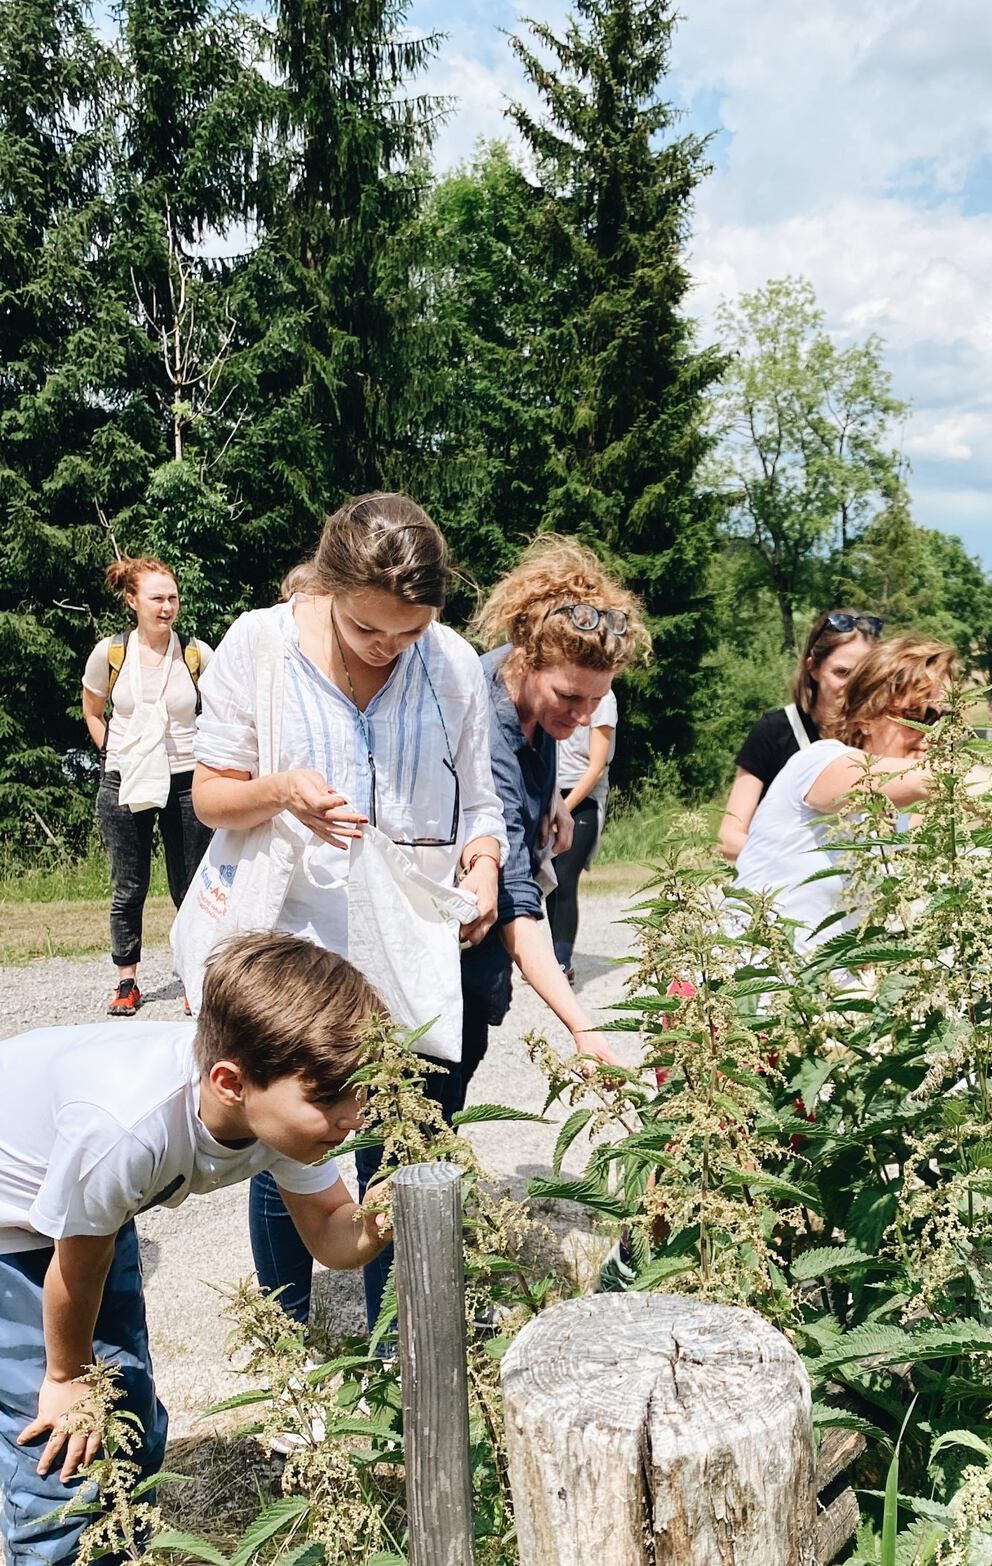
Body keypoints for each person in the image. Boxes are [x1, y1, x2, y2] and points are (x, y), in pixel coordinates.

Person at [0, 932, 394, 1566]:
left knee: (131, 1408)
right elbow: (73, 1273)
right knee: (62, 1436)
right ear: (229, 1081)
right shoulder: (130, 1129)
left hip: (88, 1212)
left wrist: (390, 1213)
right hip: (15, 1222)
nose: (355, 1117)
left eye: (360, 1094)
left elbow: (331, 1236)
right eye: (333, 1098)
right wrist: (66, 1376)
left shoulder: (281, 1111)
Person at [186, 493, 507, 1334]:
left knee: (403, 1137)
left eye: (409, 633)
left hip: (405, 942)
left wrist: (482, 866)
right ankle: (291, 1338)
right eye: (370, 631)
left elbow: (481, 800)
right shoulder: (259, 645)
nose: (391, 650)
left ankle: (401, 1348)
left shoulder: (453, 664)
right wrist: (282, 791)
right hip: (293, 943)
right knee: (291, 1139)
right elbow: (211, 798)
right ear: (326, 590)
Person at [460, 538, 649, 1096]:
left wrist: (549, 803)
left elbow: (534, 757)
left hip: (474, 950)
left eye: (597, 702)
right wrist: (581, 1026)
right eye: (570, 697)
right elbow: (515, 899)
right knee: (416, 1122)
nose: (583, 716)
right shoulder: (483, 719)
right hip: (447, 946)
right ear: (525, 655)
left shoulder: (533, 703)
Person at [734, 635, 959, 952]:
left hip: (819, 995)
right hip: (748, 986)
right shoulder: (818, 762)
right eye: (917, 716)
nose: (931, 735)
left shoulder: (901, 819)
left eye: (945, 719)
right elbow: (934, 780)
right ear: (867, 716)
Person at [81, 558, 214, 1017]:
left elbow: (219, 713)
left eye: (173, 598)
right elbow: (93, 709)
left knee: (192, 885)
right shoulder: (110, 653)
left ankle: (196, 978)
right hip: (126, 778)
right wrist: (112, 756)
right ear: (132, 601)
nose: (167, 607)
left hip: (185, 779)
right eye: (157, 598)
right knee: (129, 885)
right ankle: (127, 982)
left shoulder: (197, 653)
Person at [718, 609, 884, 863]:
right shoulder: (775, 732)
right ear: (813, 669)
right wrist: (802, 863)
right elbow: (728, 839)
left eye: (863, 675)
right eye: (841, 673)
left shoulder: (882, 735)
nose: (853, 685)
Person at [547, 685, 617, 980]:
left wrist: (562, 809)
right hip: (549, 789)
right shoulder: (557, 687)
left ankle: (562, 961)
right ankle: (550, 955)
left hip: (583, 796)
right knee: (548, 876)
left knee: (565, 875)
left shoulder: (603, 697)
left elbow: (596, 767)